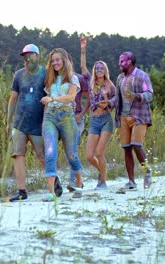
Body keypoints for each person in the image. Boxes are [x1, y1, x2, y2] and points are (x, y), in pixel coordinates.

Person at [40, 48, 83, 201]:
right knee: (50, 152)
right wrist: (45, 118)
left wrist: (52, 99)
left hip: (67, 117)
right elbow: (46, 99)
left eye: (57, 60)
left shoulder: (73, 78)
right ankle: (51, 192)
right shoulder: (50, 79)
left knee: (72, 154)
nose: (55, 63)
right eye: (52, 61)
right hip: (50, 117)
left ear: (64, 60)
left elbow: (71, 97)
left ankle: (79, 183)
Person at [7, 44, 47, 202]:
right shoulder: (18, 75)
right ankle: (22, 191)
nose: (27, 58)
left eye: (30, 55)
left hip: (38, 123)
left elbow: (53, 94)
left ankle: (54, 181)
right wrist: (8, 121)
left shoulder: (45, 73)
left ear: (37, 56)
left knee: (42, 155)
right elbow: (13, 99)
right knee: (17, 155)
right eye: (25, 56)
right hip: (19, 123)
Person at [115, 51, 153, 191]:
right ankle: (131, 181)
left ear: (129, 61)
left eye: (122, 61)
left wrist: (137, 96)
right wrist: (109, 103)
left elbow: (149, 94)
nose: (120, 64)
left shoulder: (142, 76)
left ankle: (147, 171)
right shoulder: (120, 78)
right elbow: (117, 97)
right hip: (124, 117)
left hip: (139, 116)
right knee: (126, 148)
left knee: (137, 145)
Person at [85, 60, 117, 190]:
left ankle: (102, 182)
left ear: (105, 70)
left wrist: (108, 102)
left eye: (101, 68)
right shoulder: (91, 83)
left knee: (99, 153)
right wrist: (83, 51)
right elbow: (83, 67)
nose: (99, 70)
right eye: (97, 68)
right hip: (93, 120)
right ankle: (102, 172)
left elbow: (116, 99)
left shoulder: (110, 85)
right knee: (89, 156)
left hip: (106, 119)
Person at [67, 35, 90, 197]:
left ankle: (76, 183)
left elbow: (90, 100)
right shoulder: (57, 80)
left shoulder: (79, 79)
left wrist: (81, 115)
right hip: (60, 118)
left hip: (76, 117)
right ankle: (69, 182)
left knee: (72, 149)